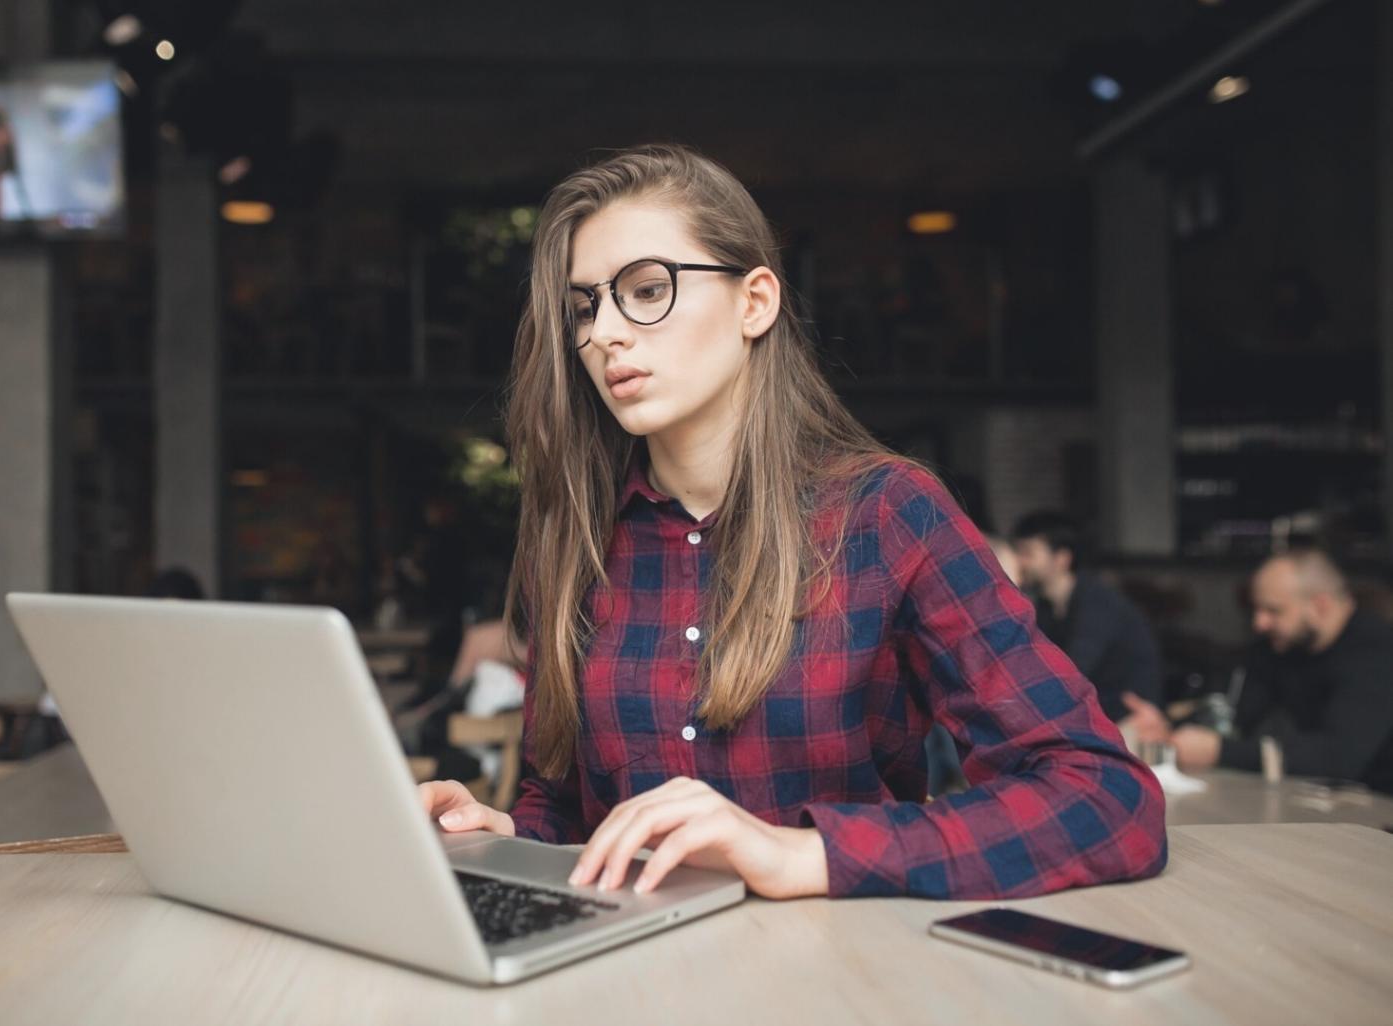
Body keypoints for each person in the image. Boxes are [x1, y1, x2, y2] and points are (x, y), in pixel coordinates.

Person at [419, 145, 1165, 900]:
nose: (605, 331)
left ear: (755, 302)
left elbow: (1105, 799)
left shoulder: (885, 514)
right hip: (630, 970)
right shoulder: (578, 534)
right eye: (586, 305)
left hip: (838, 975)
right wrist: (507, 838)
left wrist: (796, 857)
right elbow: (567, 807)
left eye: (646, 289)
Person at [1125, 548, 1393, 792]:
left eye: (1273, 611)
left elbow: (1339, 758)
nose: (1260, 622)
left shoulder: (1376, 652)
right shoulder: (1283, 647)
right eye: (1257, 609)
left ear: (1320, 605)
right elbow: (1235, 715)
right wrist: (1169, 728)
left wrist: (1220, 752)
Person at [1010, 511, 1163, 731]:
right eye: (1016, 551)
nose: (1019, 561)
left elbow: (1071, 673)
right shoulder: (1045, 605)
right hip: (1091, 714)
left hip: (1131, 717)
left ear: (1062, 558)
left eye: (1027, 552)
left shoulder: (1097, 602)